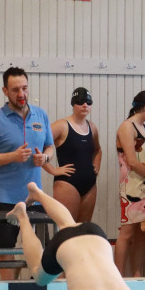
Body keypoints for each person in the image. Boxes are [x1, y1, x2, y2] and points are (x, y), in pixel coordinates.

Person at [8, 182, 141, 290]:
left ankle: (37, 193)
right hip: (65, 245)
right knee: (38, 275)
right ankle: (22, 216)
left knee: (68, 225)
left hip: (95, 233)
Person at [0, 67, 55, 280]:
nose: (21, 94)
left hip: (35, 197)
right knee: (5, 248)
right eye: (15, 90)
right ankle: (9, 289)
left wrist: (45, 158)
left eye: (24, 88)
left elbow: (50, 147)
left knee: (44, 248)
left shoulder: (41, 115)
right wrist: (12, 156)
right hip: (5, 197)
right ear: (5, 91)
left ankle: (38, 287)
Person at [115, 91, 145, 277]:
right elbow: (132, 161)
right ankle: (117, 276)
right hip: (132, 186)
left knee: (142, 233)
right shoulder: (127, 126)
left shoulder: (143, 127)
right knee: (127, 232)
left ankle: (137, 274)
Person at [44, 87, 101, 223]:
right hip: (67, 183)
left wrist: (96, 165)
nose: (85, 105)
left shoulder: (92, 127)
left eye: (88, 102)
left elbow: (98, 149)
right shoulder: (62, 125)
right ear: (73, 104)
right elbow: (38, 145)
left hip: (90, 184)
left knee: (84, 229)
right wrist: (52, 170)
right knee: (67, 227)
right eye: (80, 102)